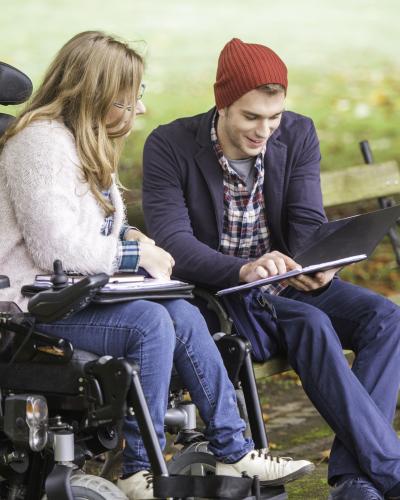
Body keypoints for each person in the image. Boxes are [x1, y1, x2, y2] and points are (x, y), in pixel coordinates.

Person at [0, 32, 314, 500]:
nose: (139, 111)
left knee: (183, 311)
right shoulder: (40, 144)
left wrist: (131, 236)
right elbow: (55, 249)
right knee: (149, 321)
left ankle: (235, 449)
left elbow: (92, 229)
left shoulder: (83, 141)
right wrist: (133, 255)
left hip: (74, 296)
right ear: (96, 93)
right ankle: (137, 468)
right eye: (129, 100)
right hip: (28, 305)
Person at [142, 37, 400, 500]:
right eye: (251, 117)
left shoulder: (296, 133)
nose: (264, 130)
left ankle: (354, 479)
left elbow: (305, 221)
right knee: (312, 322)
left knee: (387, 318)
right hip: (221, 294)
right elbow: (174, 244)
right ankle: (388, 471)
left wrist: (321, 265)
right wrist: (244, 270)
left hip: (288, 282)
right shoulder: (170, 145)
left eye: (273, 117)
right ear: (222, 103)